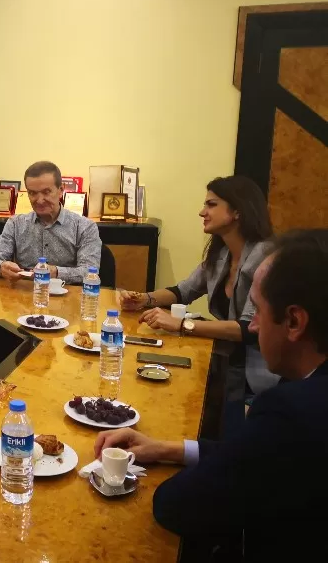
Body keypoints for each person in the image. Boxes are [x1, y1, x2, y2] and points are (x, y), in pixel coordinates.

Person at [94, 230, 328, 561]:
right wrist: (167, 449)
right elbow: (249, 456)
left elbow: (177, 506)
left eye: (258, 311)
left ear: (293, 321)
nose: (253, 326)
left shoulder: (291, 410)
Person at [118, 176, 277, 395]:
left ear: (238, 211)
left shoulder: (264, 257)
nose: (202, 212)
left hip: (257, 372)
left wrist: (182, 324)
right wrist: (143, 299)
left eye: (211, 205)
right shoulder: (222, 253)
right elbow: (182, 292)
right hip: (228, 360)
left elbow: (248, 328)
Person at [0, 161, 101, 284]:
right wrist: (1, 267)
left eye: (46, 192)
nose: (39, 200)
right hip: (24, 293)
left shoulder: (85, 227)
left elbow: (89, 272)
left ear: (61, 190)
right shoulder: (15, 224)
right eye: (32, 193)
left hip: (68, 294)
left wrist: (56, 272)